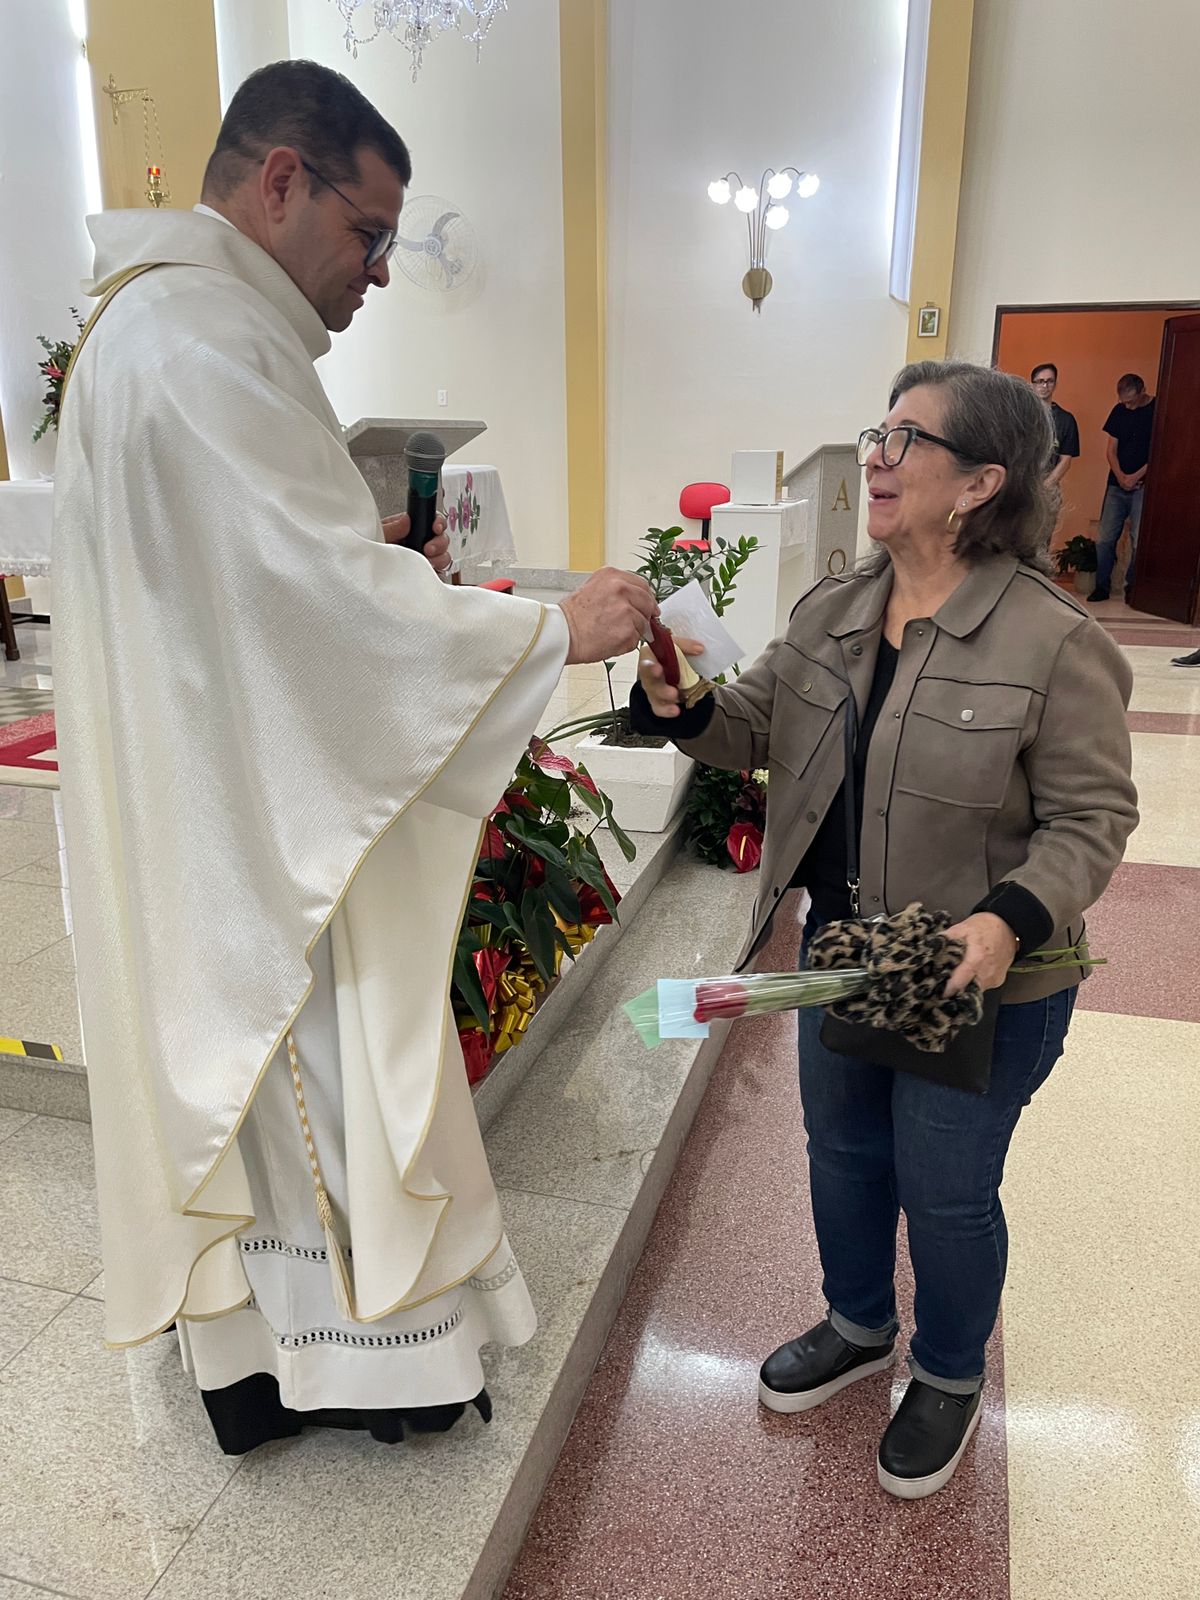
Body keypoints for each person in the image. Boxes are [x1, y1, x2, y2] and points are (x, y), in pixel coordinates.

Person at [52, 60, 655, 1455]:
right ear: (282, 181)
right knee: (320, 1083)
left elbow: (250, 580)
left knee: (269, 1102)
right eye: (370, 232)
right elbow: (314, 608)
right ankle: (370, 1372)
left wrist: (364, 559)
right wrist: (552, 630)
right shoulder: (203, 343)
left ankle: (265, 1363)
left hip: (216, 785)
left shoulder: (159, 325)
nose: (381, 269)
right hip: (261, 818)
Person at [631, 361, 1137, 1499]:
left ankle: (949, 1372)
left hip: (982, 979)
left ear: (981, 483)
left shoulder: (1052, 640)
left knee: (945, 1187)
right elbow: (751, 729)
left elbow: (1096, 817)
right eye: (879, 432)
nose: (877, 455)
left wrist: (1009, 919)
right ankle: (859, 1322)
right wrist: (684, 705)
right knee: (844, 1152)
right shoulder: (834, 611)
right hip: (844, 959)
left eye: (908, 439)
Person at [1090, 372, 1156, 602]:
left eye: (1131, 401)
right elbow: (1111, 450)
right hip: (1116, 485)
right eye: (1123, 401)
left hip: (1143, 485)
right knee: (1105, 538)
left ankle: (1132, 587)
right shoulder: (1119, 411)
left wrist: (1136, 476)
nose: (1127, 406)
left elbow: (1160, 449)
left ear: (1143, 391)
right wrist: (1121, 477)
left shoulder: (1157, 409)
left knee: (1139, 539)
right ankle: (1101, 586)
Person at [1030, 362, 1079, 487]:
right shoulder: (1021, 415)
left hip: (1048, 486)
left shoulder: (1066, 419)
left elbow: (1066, 460)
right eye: (1040, 381)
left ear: (1055, 384)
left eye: (1049, 381)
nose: (1045, 386)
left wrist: (1046, 486)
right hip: (1019, 484)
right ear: (1032, 384)